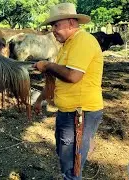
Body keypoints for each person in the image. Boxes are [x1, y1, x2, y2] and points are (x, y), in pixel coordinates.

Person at [33, 3, 104, 179]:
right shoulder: (67, 45)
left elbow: (73, 76)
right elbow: (59, 80)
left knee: (73, 162)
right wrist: (39, 99)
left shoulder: (83, 41)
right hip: (69, 111)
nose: (53, 30)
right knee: (67, 155)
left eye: (56, 25)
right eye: (52, 26)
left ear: (71, 23)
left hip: (81, 113)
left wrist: (48, 65)